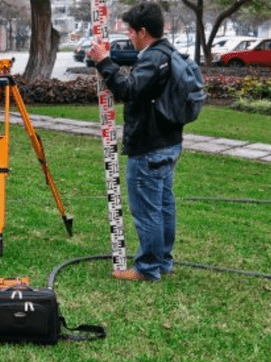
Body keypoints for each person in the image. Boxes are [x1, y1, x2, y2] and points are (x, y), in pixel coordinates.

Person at [88, 3, 183, 281]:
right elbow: (140, 73)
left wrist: (105, 63)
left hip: (149, 147)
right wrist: (110, 58)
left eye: (130, 31)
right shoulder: (166, 53)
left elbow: (128, 90)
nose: (128, 35)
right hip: (169, 142)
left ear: (142, 31)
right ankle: (162, 260)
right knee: (164, 204)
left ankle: (148, 268)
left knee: (147, 210)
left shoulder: (153, 59)